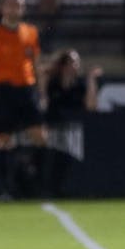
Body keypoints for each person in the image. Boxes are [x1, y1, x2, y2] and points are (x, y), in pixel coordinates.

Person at [0, 0, 47, 200]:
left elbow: (36, 64)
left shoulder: (31, 32)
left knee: (40, 137)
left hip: (27, 89)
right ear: (3, 8)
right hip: (4, 90)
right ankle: (7, 188)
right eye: (12, 5)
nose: (16, 9)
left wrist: (41, 93)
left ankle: (36, 185)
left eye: (19, 5)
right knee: (3, 140)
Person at [41, 48, 101, 196]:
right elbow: (43, 96)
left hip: (72, 130)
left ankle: (62, 190)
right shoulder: (52, 83)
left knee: (65, 162)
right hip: (52, 127)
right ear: (64, 65)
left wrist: (91, 80)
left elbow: (91, 106)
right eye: (73, 62)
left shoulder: (79, 86)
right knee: (49, 160)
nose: (76, 66)